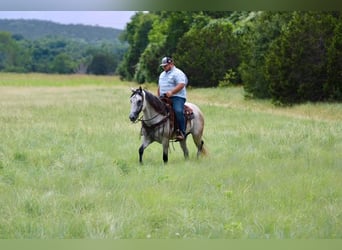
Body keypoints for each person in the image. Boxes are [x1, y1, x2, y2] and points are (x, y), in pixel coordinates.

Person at [158, 56, 188, 141]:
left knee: (178, 110)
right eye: (163, 66)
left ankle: (182, 132)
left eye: (165, 65)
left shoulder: (178, 73)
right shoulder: (162, 74)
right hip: (163, 97)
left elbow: (181, 84)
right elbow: (159, 86)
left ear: (171, 64)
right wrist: (158, 96)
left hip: (177, 97)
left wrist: (172, 92)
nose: (164, 67)